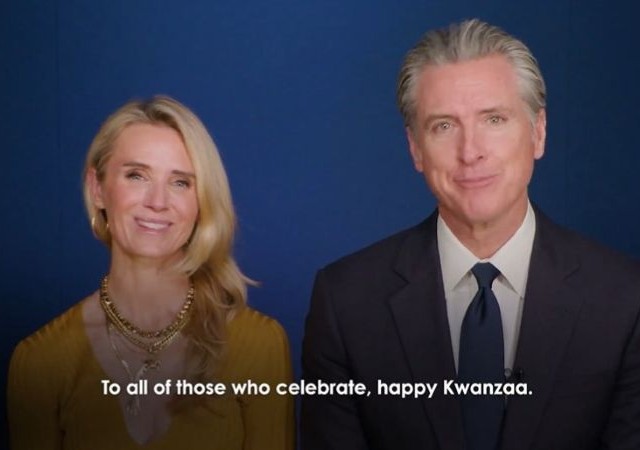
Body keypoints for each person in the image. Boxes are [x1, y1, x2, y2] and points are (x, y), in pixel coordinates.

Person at [301, 19, 640, 450]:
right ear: (415, 149)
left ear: (538, 132)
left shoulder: (626, 299)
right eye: (444, 126)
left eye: (494, 119)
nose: (470, 151)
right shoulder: (345, 302)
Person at [8, 96, 294, 449]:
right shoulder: (40, 362)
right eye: (136, 175)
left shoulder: (259, 346)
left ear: (202, 201)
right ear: (98, 189)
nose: (157, 202)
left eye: (180, 182)